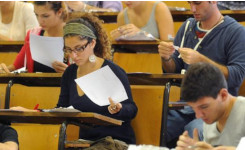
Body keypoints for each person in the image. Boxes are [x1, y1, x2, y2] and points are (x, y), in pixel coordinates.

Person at [11, 14, 138, 146]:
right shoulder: (70, 73)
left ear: (92, 43)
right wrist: (33, 112)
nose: (73, 55)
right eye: (68, 50)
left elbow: (132, 109)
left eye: (79, 48)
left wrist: (120, 108)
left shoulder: (111, 70)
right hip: (85, 143)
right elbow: (61, 109)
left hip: (115, 141)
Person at [158, 1, 245, 147]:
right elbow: (173, 70)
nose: (192, 9)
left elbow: (237, 75)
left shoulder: (236, 32)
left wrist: (201, 60)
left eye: (197, 3)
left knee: (195, 131)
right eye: (190, 3)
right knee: (158, 126)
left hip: (215, 105)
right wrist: (166, 57)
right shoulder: (187, 27)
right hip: (185, 105)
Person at [176, 62, 245, 150]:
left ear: (223, 95)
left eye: (204, 107)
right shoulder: (210, 120)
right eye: (194, 108)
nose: (198, 116)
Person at [0, 1, 68, 73]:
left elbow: (79, 73)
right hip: (35, 83)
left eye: (45, 16)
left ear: (59, 12)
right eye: (36, 15)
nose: (40, 21)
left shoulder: (73, 36)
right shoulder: (33, 34)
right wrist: (3, 69)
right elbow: (16, 66)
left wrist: (70, 72)